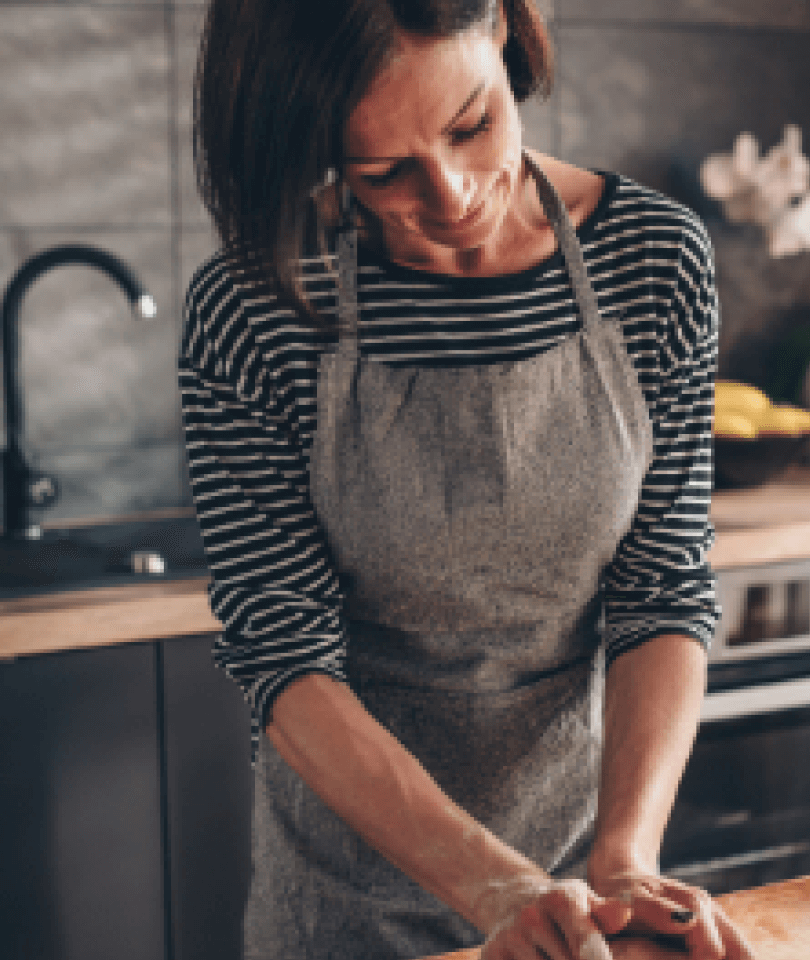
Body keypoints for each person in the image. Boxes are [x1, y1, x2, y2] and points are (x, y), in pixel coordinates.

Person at [180, 1, 756, 958]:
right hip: (345, 908)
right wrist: (498, 888)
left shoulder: (653, 261)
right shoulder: (258, 301)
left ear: (502, 31)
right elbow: (283, 653)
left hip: (581, 891)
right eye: (384, 172)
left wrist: (624, 866)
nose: (450, 197)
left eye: (472, 124)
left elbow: (662, 590)